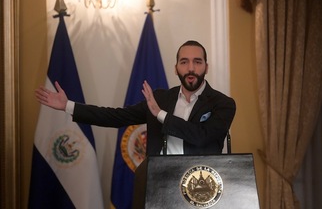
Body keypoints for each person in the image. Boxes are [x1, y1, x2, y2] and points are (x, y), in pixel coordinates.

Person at [35, 40, 236, 155]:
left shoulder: (223, 104)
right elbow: (116, 117)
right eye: (184, 62)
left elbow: (202, 136)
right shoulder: (160, 98)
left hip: (203, 189)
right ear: (176, 69)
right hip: (161, 185)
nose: (191, 68)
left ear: (206, 67)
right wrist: (68, 106)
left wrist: (160, 115)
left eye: (197, 62)